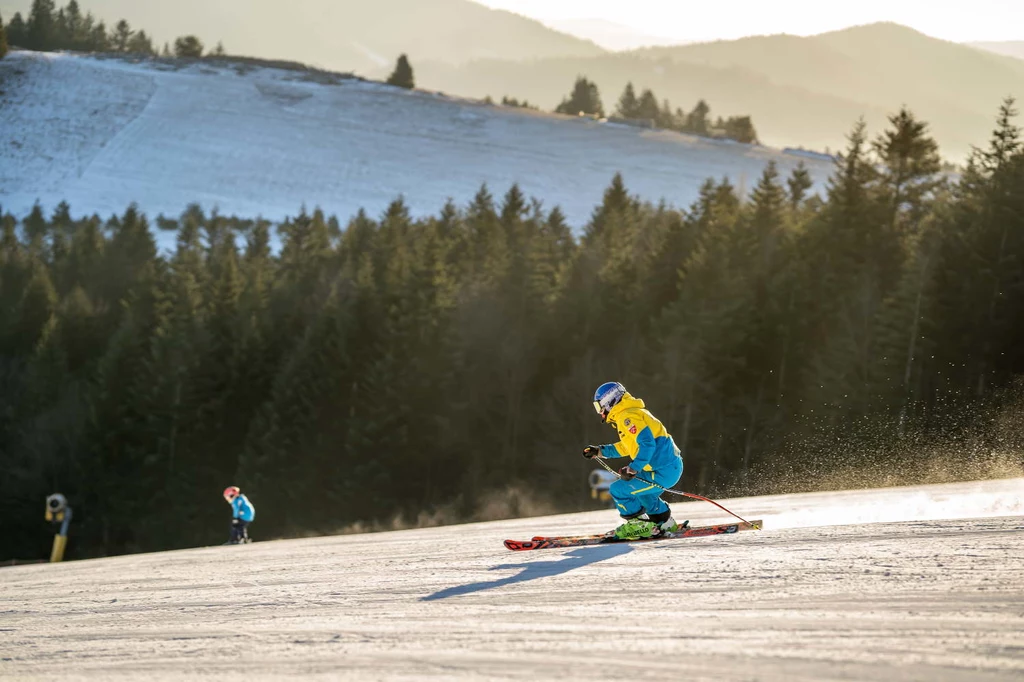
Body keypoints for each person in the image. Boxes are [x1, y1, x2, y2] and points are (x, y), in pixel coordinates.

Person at [583, 382, 685, 540]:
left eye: (599, 407)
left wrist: (633, 468)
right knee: (644, 495)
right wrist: (600, 451)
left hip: (662, 470)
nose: (600, 413)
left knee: (618, 489)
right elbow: (627, 447)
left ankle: (638, 526)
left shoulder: (627, 417)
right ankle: (663, 522)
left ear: (610, 401)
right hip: (669, 468)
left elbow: (647, 444)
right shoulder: (630, 413)